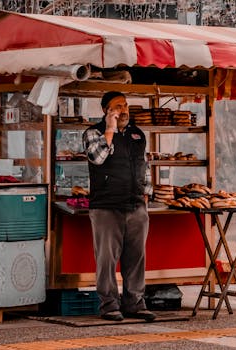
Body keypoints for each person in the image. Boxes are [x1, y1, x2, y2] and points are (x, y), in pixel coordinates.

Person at [82, 91, 156, 322]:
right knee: (107, 259)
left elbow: (143, 165)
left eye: (124, 106)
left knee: (136, 257)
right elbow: (99, 158)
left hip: (135, 205)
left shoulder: (137, 134)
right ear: (105, 110)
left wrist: (147, 193)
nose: (123, 110)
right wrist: (110, 129)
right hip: (106, 206)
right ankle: (109, 305)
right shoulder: (93, 133)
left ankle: (135, 302)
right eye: (117, 107)